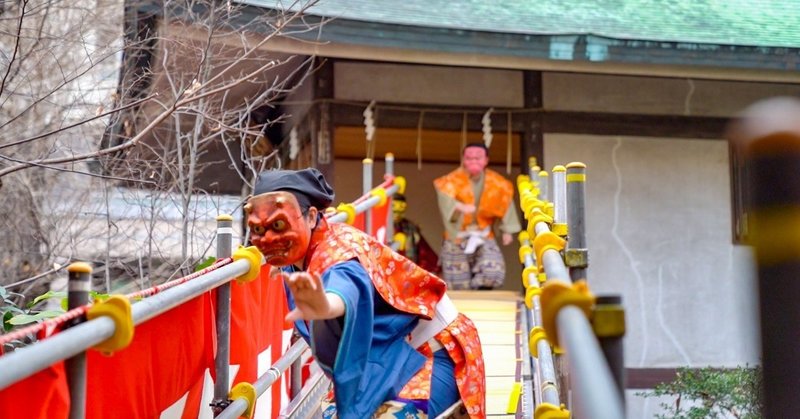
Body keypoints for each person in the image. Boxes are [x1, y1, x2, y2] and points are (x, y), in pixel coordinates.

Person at [244, 168, 485, 419]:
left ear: (312, 216)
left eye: (279, 225)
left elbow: (346, 287)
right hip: (387, 359)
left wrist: (326, 306)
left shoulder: (338, 251)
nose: (269, 239)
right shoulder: (297, 256)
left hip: (430, 353)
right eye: (259, 230)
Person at [434, 143, 521, 290]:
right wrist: (459, 206)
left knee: (493, 273)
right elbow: (446, 203)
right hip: (457, 236)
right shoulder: (449, 181)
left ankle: (478, 291)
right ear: (463, 159)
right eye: (469, 158)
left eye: (478, 158)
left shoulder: (498, 183)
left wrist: (507, 230)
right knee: (457, 284)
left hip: (484, 235)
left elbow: (505, 203)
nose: (473, 161)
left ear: (486, 160)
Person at [391, 191, 440, 274]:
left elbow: (425, 253)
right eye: (394, 212)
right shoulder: (380, 227)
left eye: (400, 212)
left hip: (408, 270)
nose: (397, 215)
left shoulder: (410, 228)